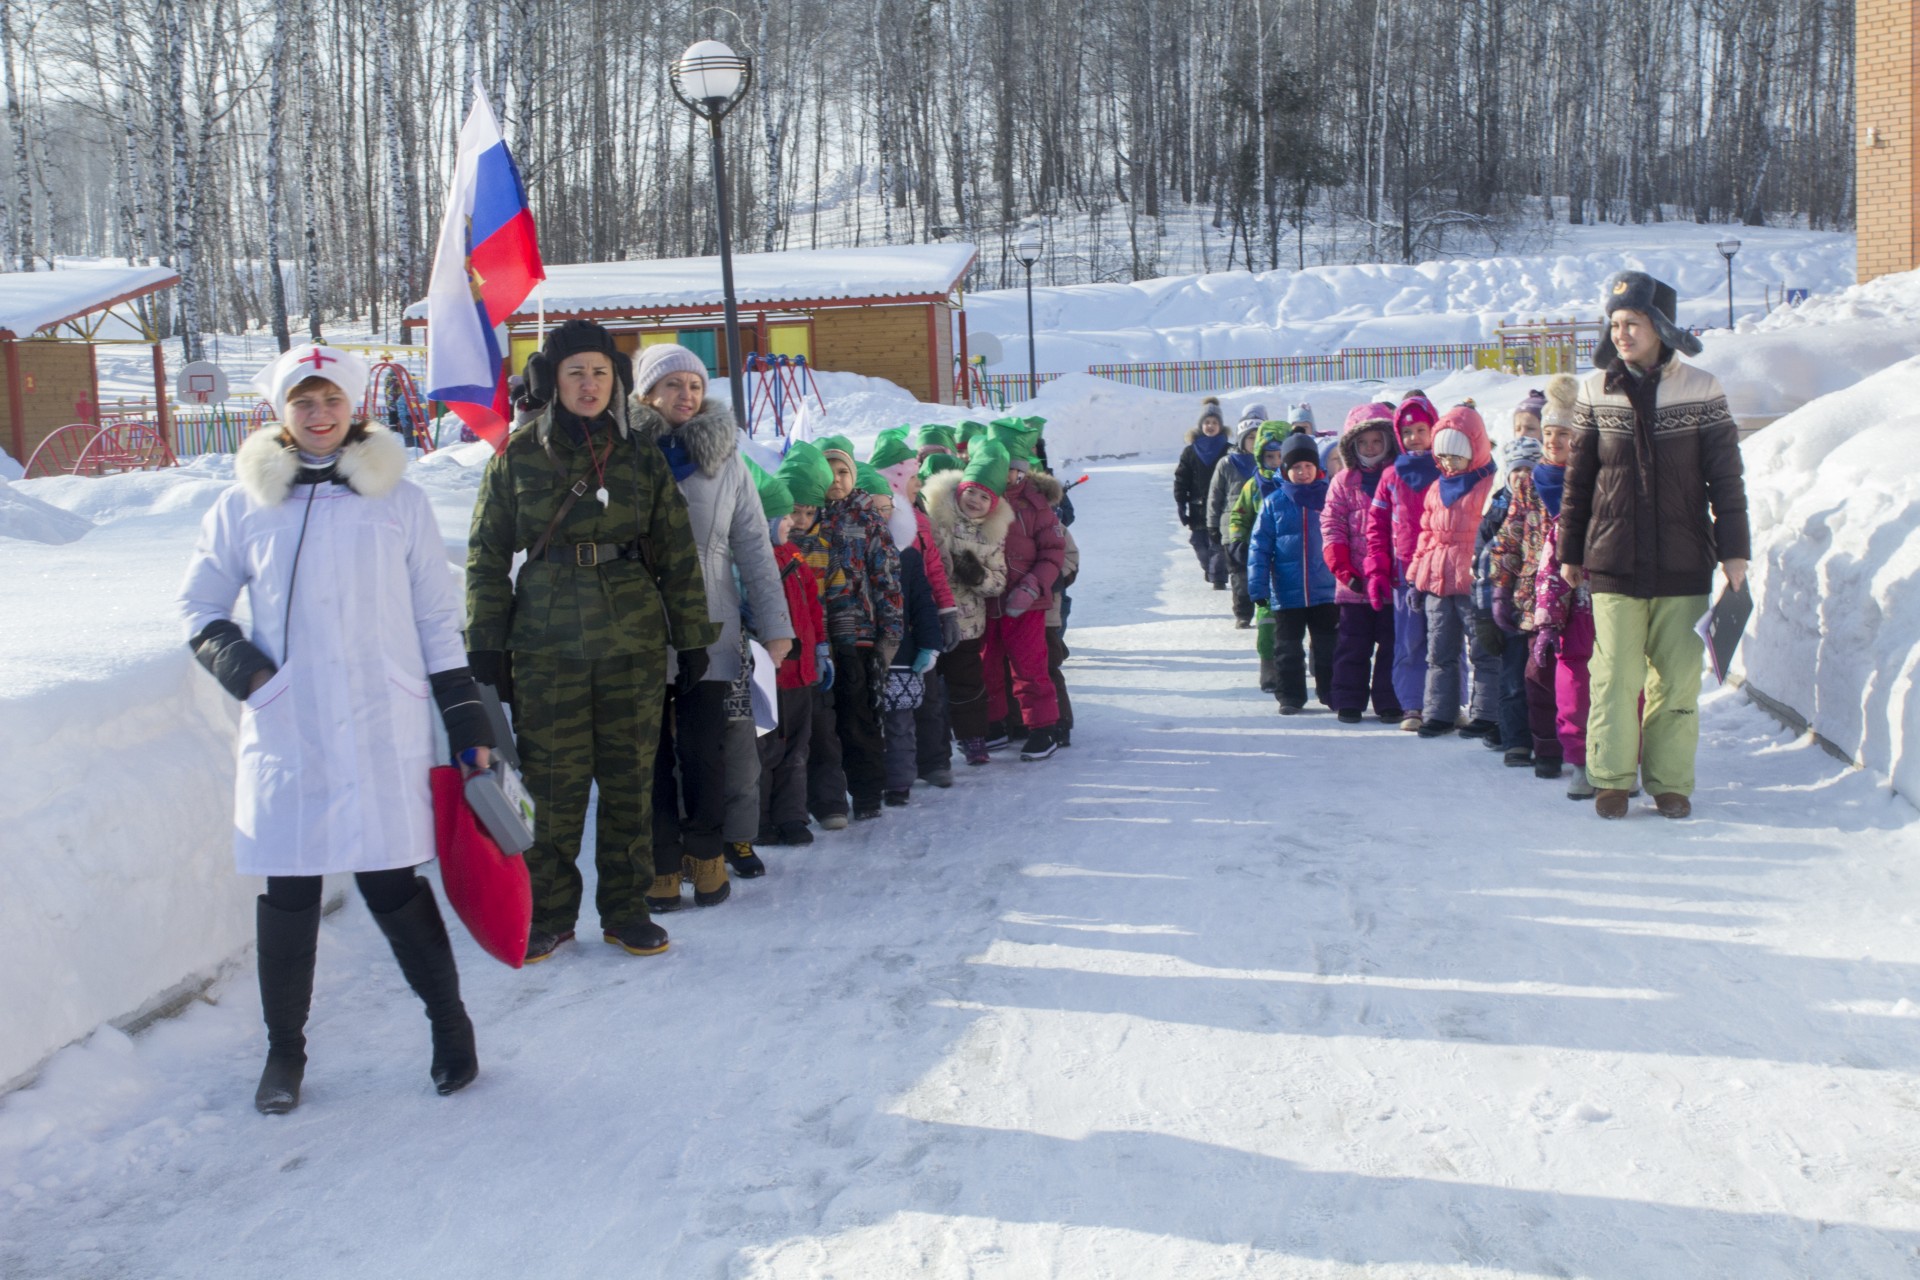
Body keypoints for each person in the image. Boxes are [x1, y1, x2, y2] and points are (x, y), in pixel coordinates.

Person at [180, 344, 490, 1113]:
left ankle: (451, 1028)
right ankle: (284, 1053)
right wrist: (253, 676)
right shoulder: (243, 505)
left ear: (354, 407)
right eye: (302, 402)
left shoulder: (400, 502)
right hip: (292, 725)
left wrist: (464, 717)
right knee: (289, 890)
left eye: (331, 401)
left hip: (381, 721)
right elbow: (199, 606)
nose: (318, 416)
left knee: (391, 882)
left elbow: (433, 618)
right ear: (280, 413)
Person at [465, 319, 718, 963]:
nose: (589, 384)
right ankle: (550, 913)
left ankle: (625, 909)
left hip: (632, 643)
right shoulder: (517, 456)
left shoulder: (640, 458)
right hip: (546, 649)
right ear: (552, 380)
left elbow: (676, 553)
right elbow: (487, 557)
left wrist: (691, 639)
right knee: (552, 786)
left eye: (601, 372)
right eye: (575, 372)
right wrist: (485, 646)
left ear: (617, 382)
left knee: (631, 781)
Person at [1559, 271, 1749, 820]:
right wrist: (1573, 552)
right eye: (1614, 324)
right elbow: (1579, 483)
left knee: (1676, 678)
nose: (1621, 333)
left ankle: (1670, 782)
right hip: (1613, 561)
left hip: (1685, 561)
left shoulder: (1702, 389)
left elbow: (1726, 480)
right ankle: (1612, 779)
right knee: (1614, 674)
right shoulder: (1595, 392)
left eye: (1632, 323)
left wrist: (1735, 551)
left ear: (1660, 327)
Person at [627, 343, 794, 912]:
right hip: (639, 627)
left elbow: (753, 545)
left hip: (710, 626)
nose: (685, 396)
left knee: (705, 751)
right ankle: (662, 865)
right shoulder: (626, 454)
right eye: (671, 385)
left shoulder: (726, 460)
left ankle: (707, 857)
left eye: (694, 386)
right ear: (647, 395)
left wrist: (775, 624)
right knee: (648, 755)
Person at [816, 435, 905, 820]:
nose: (836, 480)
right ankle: (826, 801)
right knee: (823, 722)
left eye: (843, 472)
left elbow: (885, 576)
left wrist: (891, 629)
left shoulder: (866, 518)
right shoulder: (807, 515)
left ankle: (867, 793)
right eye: (828, 472)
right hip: (817, 632)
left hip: (858, 632)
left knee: (858, 716)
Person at [1405, 404, 1499, 738]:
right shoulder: (1437, 487)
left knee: (1484, 651)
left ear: (1474, 451)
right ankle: (1439, 713)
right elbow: (1426, 534)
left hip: (1474, 581)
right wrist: (1416, 579)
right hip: (1436, 580)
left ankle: (1488, 714)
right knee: (1439, 650)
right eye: (1442, 457)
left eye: (1455, 457)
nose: (1447, 464)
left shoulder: (1488, 484)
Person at [875, 432, 961, 787]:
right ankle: (894, 770)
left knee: (929, 694)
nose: (919, 483)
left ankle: (935, 760)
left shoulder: (918, 519)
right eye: (913, 477)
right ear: (895, 481)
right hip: (889, 624)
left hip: (921, 618)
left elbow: (935, 569)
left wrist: (947, 611)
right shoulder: (881, 519)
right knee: (892, 704)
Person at [981, 419, 1068, 761]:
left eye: (1009, 469)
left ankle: (1042, 728)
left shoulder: (1035, 505)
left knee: (1029, 666)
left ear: (1020, 471)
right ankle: (995, 725)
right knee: (987, 665)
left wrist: (1032, 585)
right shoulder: (978, 500)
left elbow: (1053, 552)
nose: (1004, 475)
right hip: (988, 598)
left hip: (1026, 603)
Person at [1529, 375, 1598, 798]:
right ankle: (1578, 759)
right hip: (1564, 610)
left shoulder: (1599, 488)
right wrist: (1547, 618)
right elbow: (1549, 563)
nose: (1555, 442)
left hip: (1606, 605)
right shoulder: (1533, 483)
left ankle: (1619, 757)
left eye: (1566, 435)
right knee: (1570, 687)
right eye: (1549, 433)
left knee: (1618, 686)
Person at [924, 445, 1012, 767]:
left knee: (968, 684)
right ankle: (934, 747)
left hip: (969, 624)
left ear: (994, 505)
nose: (975, 500)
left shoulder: (993, 536)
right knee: (931, 685)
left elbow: (999, 582)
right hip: (931, 618)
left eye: (984, 497)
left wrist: (977, 575)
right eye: (970, 492)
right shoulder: (937, 519)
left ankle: (973, 737)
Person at [775, 442, 846, 835]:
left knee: (822, 729)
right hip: (783, 655)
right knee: (785, 734)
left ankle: (831, 802)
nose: (800, 519)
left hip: (818, 653)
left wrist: (841, 647)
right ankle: (788, 809)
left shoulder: (825, 548)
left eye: (808, 511)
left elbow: (838, 600)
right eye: (793, 510)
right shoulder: (770, 548)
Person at [1363, 392, 1440, 729]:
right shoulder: (1391, 476)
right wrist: (1377, 569)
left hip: (1440, 570)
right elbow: (1376, 528)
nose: (1414, 439)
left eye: (1421, 431)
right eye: (1407, 433)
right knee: (1409, 641)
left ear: (1433, 429)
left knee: (1443, 639)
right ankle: (1412, 704)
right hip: (1402, 571)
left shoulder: (1445, 469)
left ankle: (1446, 703)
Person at [1249, 426, 1338, 714]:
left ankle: (1330, 692)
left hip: (1326, 590)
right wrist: (1258, 587)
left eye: (1308, 466)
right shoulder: (1274, 503)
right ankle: (1290, 696)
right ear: (1285, 469)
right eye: (1295, 467)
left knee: (1328, 647)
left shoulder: (1329, 499)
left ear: (1317, 467)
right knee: (1287, 649)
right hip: (1286, 593)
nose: (1302, 472)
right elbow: (1259, 548)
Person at [1322, 402, 1402, 723]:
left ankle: (1389, 700)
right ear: (1352, 445)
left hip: (1391, 582)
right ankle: (1348, 699)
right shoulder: (1344, 481)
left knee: (1391, 646)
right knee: (1353, 644)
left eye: (1377, 442)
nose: (1371, 448)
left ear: (1387, 443)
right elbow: (1332, 525)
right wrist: (1343, 569)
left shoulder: (1397, 477)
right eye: (1364, 442)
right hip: (1354, 582)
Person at [1482, 434, 1547, 765]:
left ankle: (1548, 738)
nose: (1523, 477)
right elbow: (1496, 553)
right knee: (1513, 678)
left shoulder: (1549, 501)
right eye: (1517, 470)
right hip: (1517, 603)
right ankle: (1515, 740)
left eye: (1530, 469)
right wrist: (1494, 599)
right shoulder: (1498, 509)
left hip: (1551, 604)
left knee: (1544, 677)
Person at [1208, 415, 1262, 628]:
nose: (1255, 441)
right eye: (1250, 437)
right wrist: (1212, 524)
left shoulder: (1268, 460)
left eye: (1259, 436)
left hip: (1262, 528)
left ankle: (1266, 609)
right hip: (1234, 529)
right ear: (1241, 440)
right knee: (1240, 575)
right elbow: (1215, 495)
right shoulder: (1227, 463)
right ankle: (1243, 612)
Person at [1174, 398, 1231, 584]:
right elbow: (1181, 479)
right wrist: (1181, 502)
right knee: (1199, 543)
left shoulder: (1228, 450)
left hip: (1221, 507)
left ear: (1221, 426)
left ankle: (1218, 577)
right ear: (1200, 425)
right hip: (1197, 507)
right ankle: (1211, 569)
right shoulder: (1190, 452)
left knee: (1217, 544)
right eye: (1207, 422)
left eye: (1214, 422)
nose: (1210, 426)